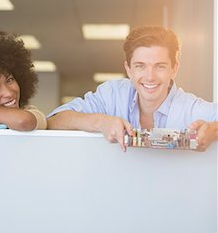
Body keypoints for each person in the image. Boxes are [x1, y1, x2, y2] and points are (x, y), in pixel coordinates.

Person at [47, 25, 217, 152]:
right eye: (140, 66)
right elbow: (54, 121)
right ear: (128, 69)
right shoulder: (111, 95)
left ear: (174, 69)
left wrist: (214, 130)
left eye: (160, 66)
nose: (150, 77)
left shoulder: (192, 108)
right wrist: (101, 122)